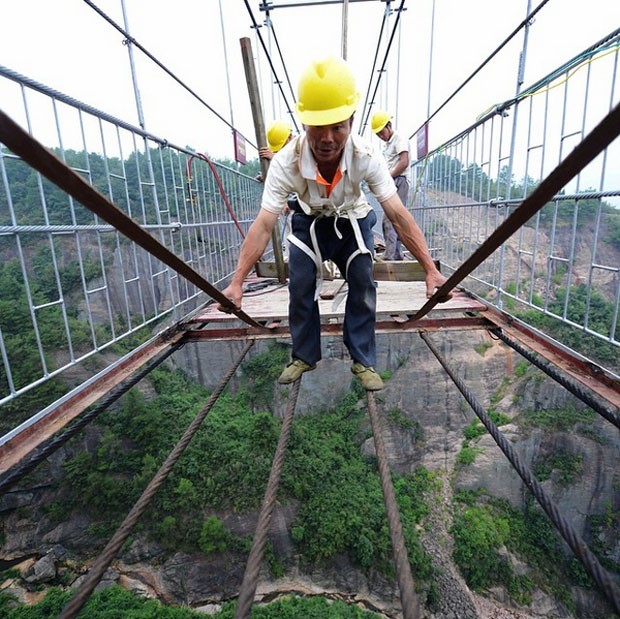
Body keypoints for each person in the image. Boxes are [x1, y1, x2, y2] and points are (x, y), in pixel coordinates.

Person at [219, 56, 448, 391]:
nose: (327, 138)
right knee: (299, 284)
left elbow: (397, 214)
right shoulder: (286, 162)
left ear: (351, 122)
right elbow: (264, 224)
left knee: (362, 280)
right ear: (304, 124)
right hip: (309, 220)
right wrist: (238, 282)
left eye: (337, 127)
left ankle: (363, 360)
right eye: (318, 127)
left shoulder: (366, 156)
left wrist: (430, 269)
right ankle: (304, 355)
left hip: (351, 217)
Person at [371, 110, 409, 261]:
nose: (380, 136)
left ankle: (390, 256)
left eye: (381, 132)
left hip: (398, 181)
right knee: (396, 219)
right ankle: (397, 254)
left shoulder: (399, 139)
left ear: (389, 125)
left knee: (390, 218)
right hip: (393, 180)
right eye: (377, 134)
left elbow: (404, 162)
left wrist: (387, 177)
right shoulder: (388, 145)